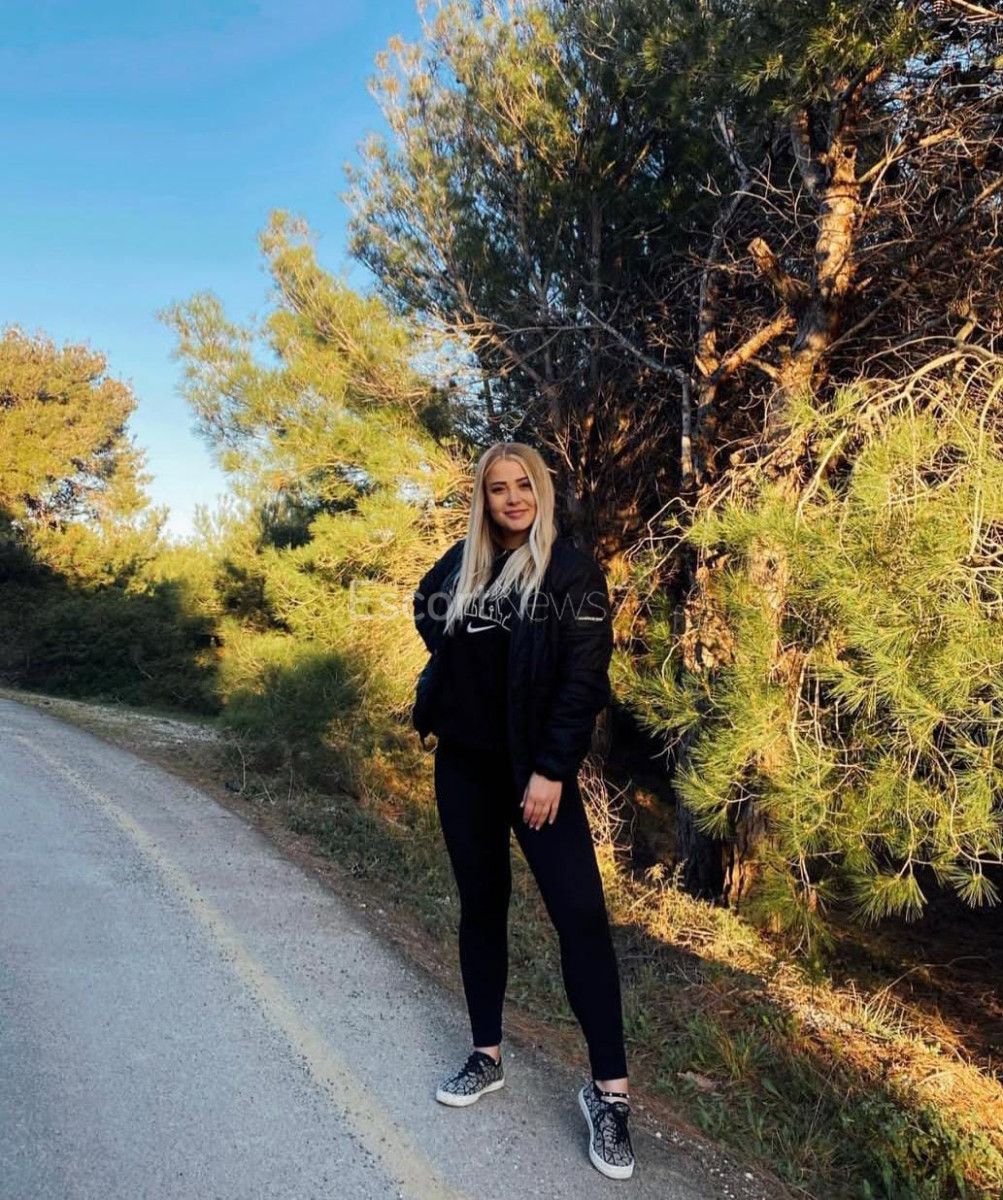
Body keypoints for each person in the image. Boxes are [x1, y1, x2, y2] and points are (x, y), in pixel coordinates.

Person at [411, 441, 634, 1181]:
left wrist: (550, 769)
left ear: (541, 491)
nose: (512, 499)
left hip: (535, 777)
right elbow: (424, 606)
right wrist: (454, 673)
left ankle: (609, 1095)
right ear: (484, 498)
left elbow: (583, 681)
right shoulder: (463, 566)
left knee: (580, 916)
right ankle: (486, 1054)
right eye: (497, 488)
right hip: (464, 769)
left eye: (523, 486)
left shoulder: (570, 574)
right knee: (482, 906)